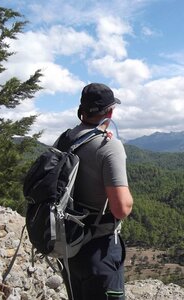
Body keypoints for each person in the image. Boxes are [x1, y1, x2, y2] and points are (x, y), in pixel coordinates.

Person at [55, 83, 133, 300]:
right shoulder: (109, 145)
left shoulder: (64, 139)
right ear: (110, 111)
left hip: (68, 244)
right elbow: (121, 208)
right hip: (99, 249)